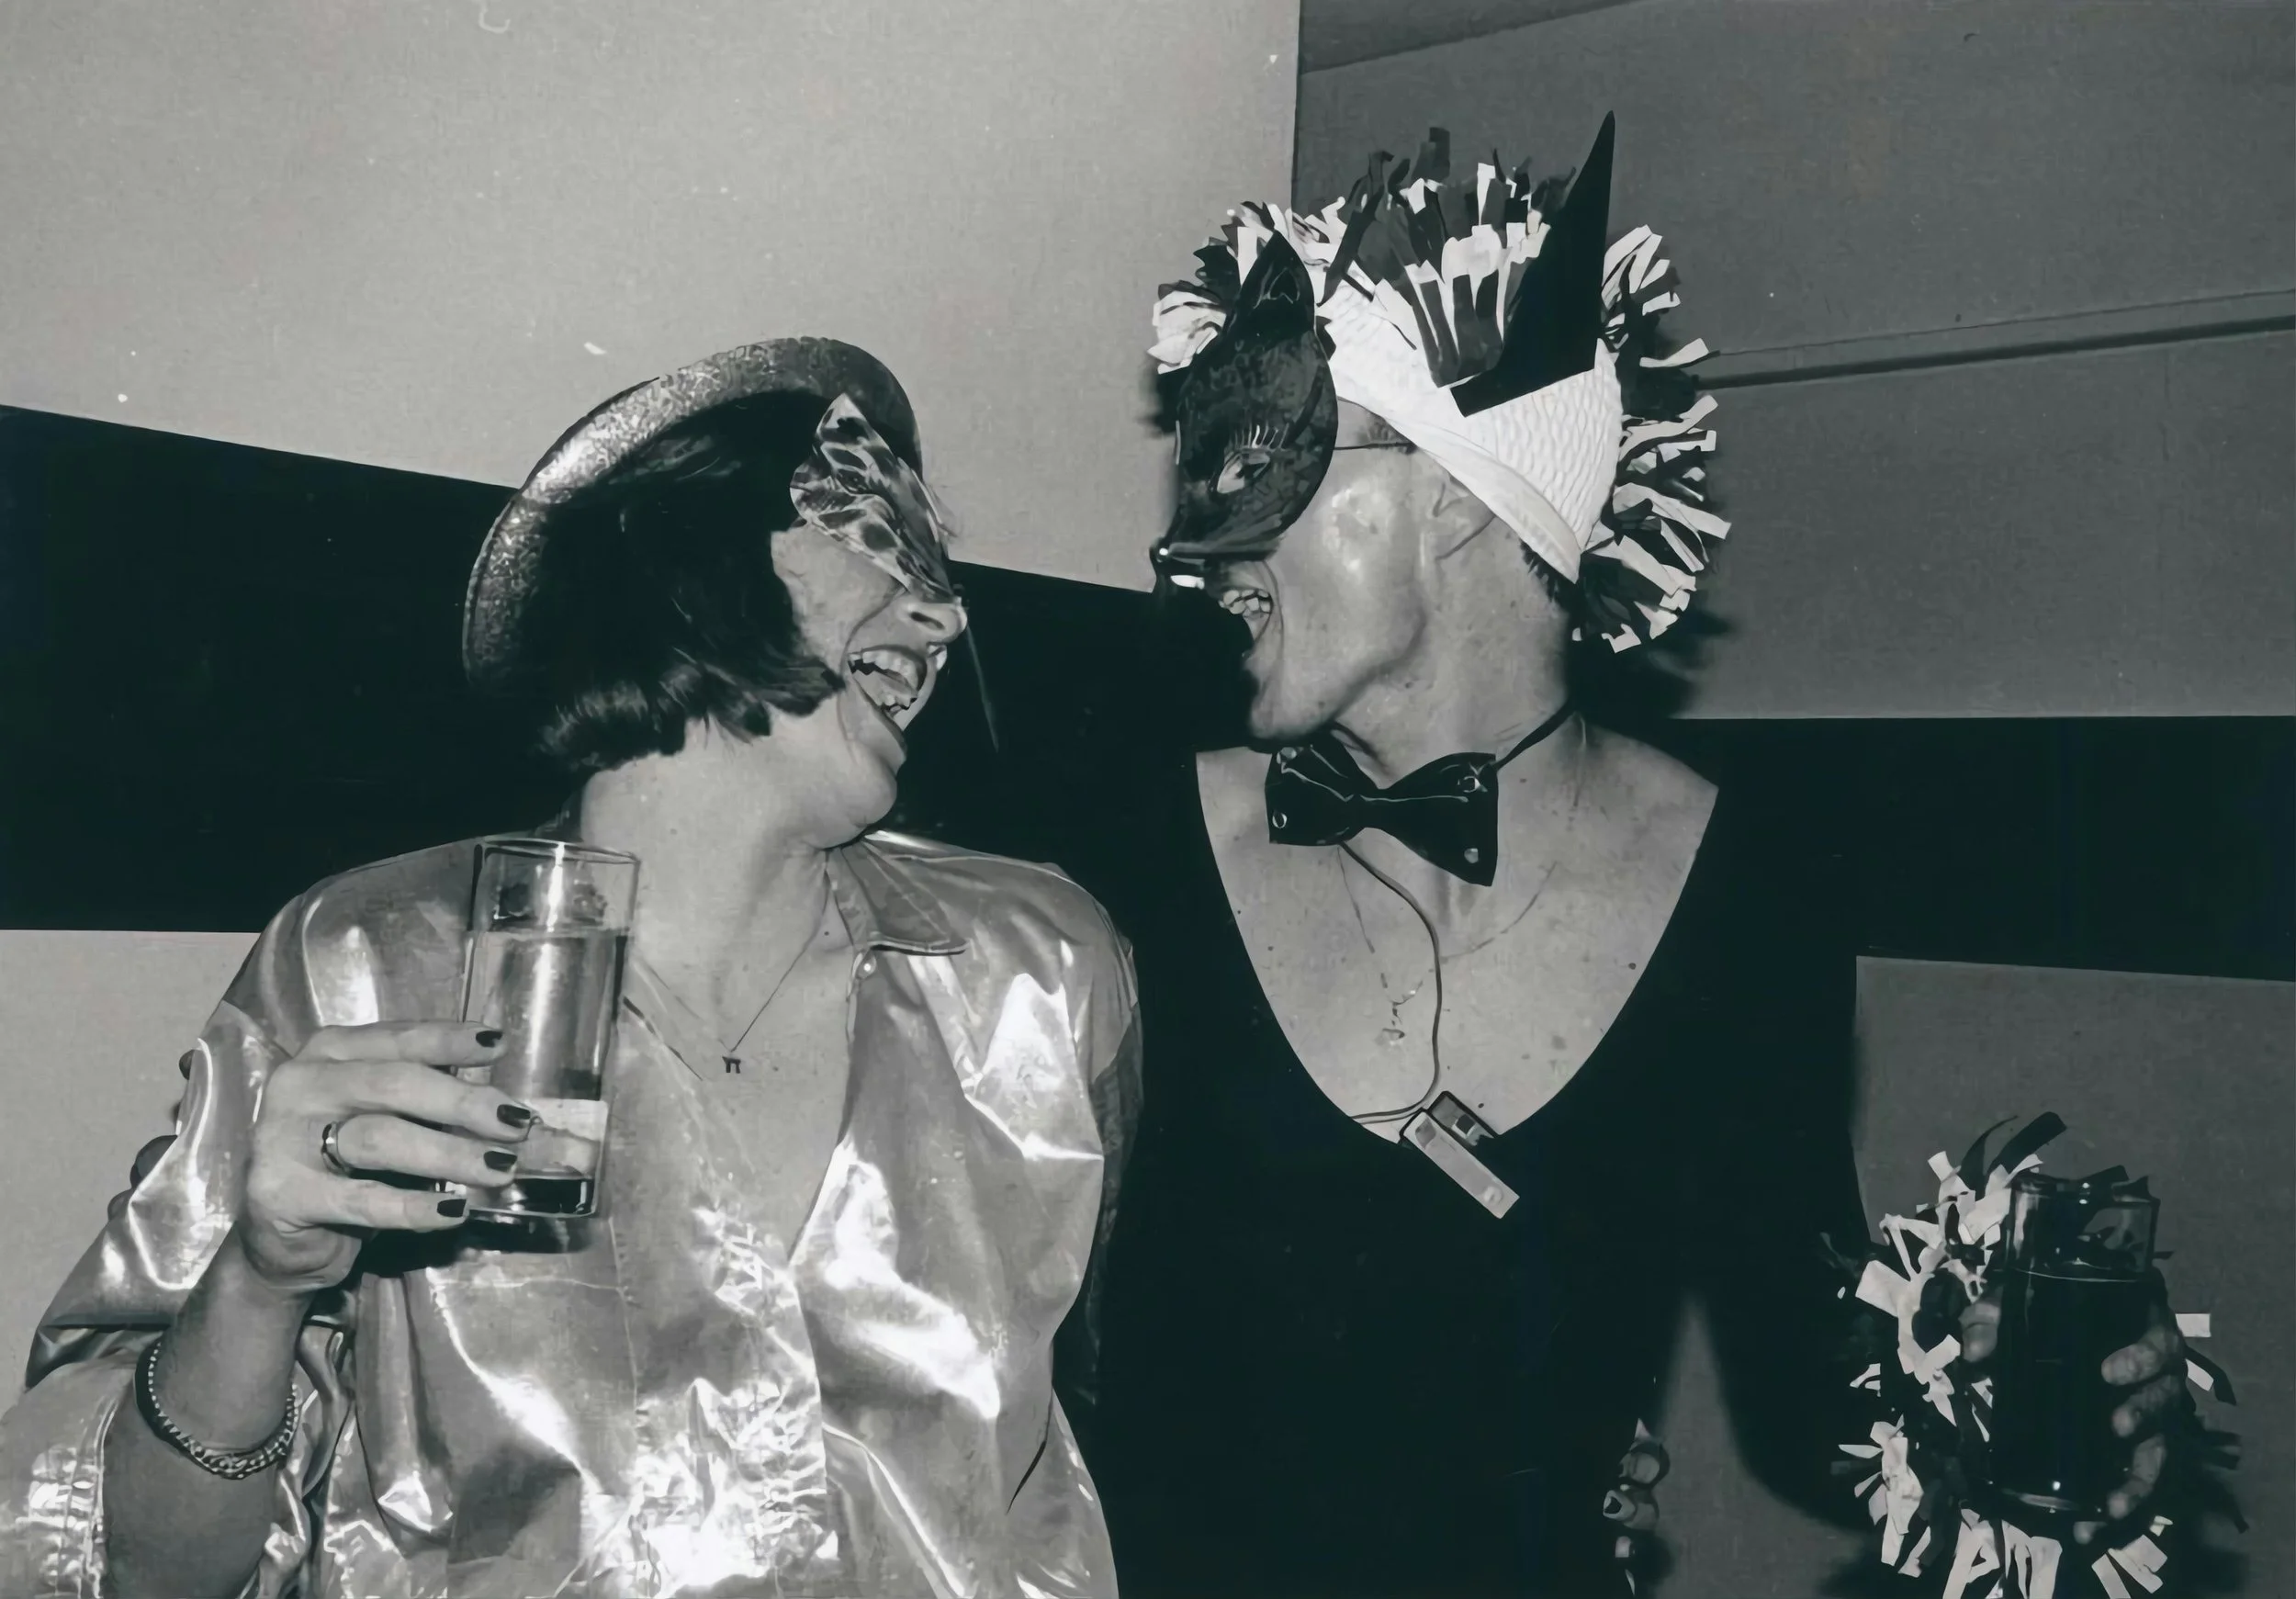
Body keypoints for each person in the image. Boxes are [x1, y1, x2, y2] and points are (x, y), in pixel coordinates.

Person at [1072, 122, 2190, 1596]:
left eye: (1266, 465)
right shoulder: (1138, 850)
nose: (1201, 552)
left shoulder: (1742, 895)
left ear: (1456, 497)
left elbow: (1812, 1397)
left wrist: (1997, 1394)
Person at [0, 339, 1138, 1599]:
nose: (946, 613)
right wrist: (262, 1282)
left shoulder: (1040, 969)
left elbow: (1103, 1427)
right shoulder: (370, 964)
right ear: (690, 568)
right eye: (885, 532)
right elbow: (133, 1570)